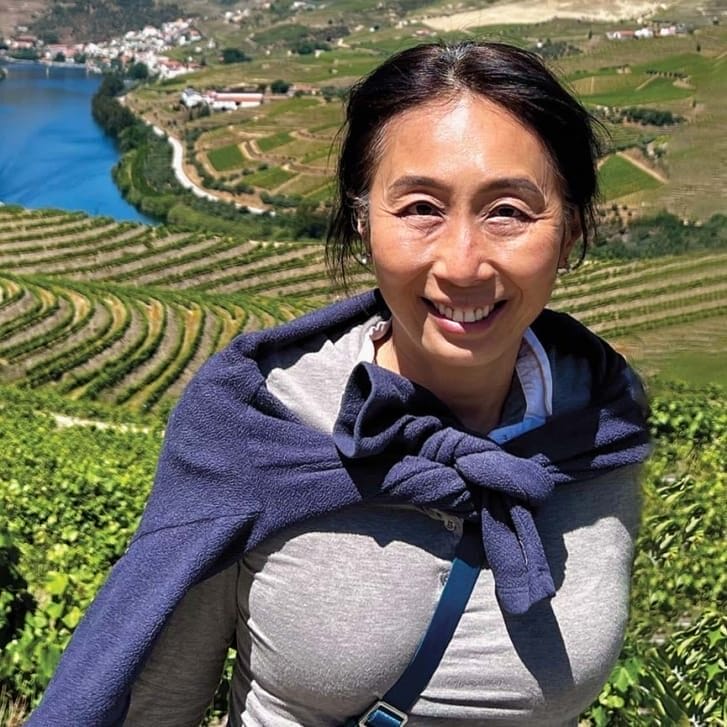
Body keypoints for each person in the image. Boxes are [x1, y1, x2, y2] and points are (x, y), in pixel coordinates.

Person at [28, 41, 650, 726]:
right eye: (419, 207)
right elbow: (159, 702)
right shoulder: (262, 421)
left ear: (568, 233)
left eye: (508, 210)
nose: (463, 263)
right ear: (362, 222)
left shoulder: (601, 426)